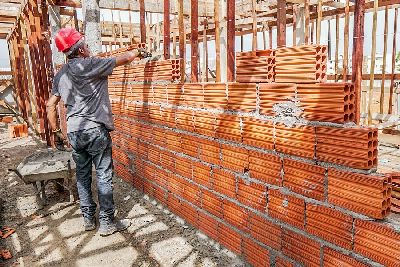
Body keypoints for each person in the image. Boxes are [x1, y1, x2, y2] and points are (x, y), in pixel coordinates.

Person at [46, 27, 145, 236]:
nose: (88, 48)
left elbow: (50, 105)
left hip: (74, 133)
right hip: (95, 131)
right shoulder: (92, 65)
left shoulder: (61, 74)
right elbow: (125, 58)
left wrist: (56, 131)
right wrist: (139, 52)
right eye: (86, 45)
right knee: (103, 175)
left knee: (82, 176)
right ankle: (107, 222)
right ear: (80, 50)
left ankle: (88, 219)